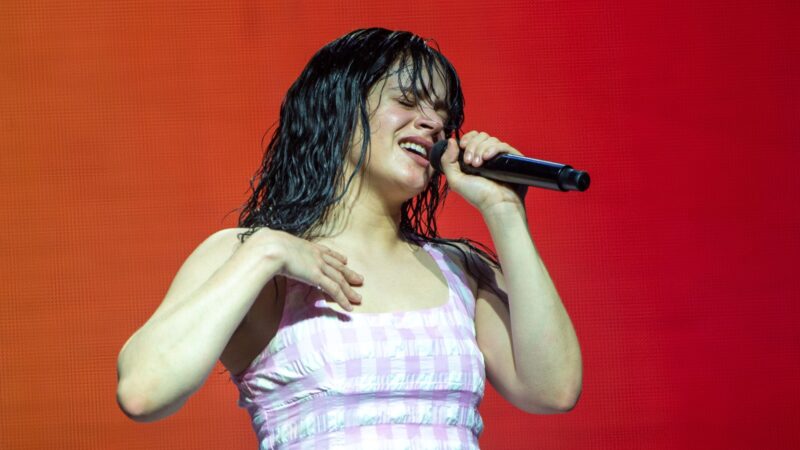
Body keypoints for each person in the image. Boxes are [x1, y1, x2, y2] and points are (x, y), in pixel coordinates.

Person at [116, 28, 582, 449]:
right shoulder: (253, 255)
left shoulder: (461, 269)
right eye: (408, 101)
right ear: (339, 110)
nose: (433, 123)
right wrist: (268, 250)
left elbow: (552, 390)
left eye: (442, 114)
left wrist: (505, 211)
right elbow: (144, 391)